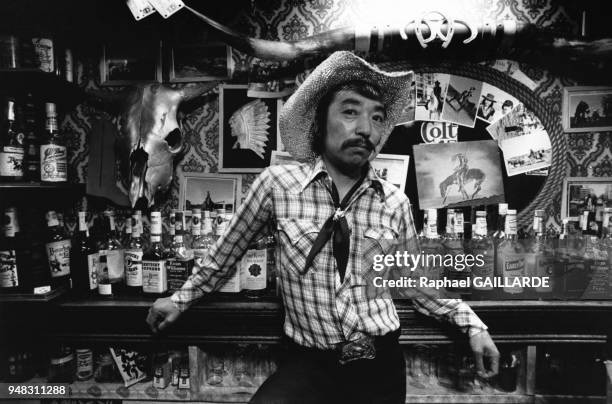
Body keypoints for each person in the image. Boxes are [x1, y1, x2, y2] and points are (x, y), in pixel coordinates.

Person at [146, 51, 499, 404]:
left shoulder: (394, 202)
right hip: (309, 363)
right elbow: (225, 253)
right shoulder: (277, 185)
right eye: (350, 111)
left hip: (378, 365)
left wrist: (473, 326)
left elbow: (416, 284)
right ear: (319, 120)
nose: (366, 129)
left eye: (378, 118)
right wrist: (180, 300)